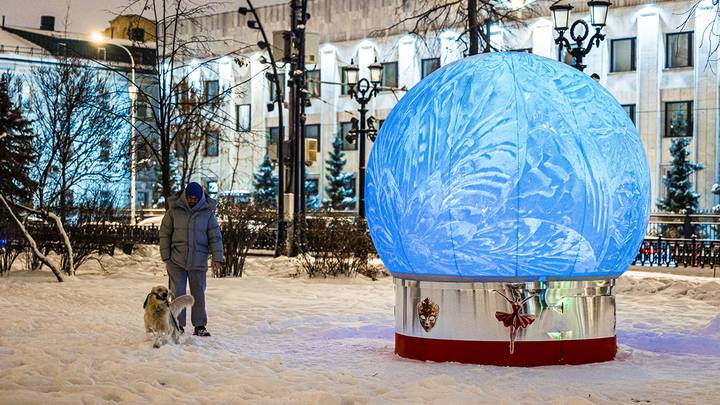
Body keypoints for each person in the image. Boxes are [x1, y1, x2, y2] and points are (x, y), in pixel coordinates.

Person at [159, 182, 224, 337]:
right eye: (190, 198)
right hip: (176, 260)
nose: (192, 200)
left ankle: (200, 325)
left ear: (200, 197)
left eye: (195, 198)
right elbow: (164, 233)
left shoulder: (207, 212)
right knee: (178, 294)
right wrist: (166, 256)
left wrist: (217, 258)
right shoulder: (174, 210)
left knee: (198, 294)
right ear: (185, 196)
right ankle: (177, 325)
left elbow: (215, 237)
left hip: (198, 260)